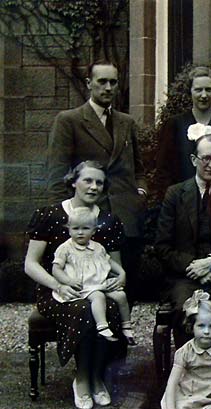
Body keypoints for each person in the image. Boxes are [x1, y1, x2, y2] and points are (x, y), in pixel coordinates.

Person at [25, 161, 126, 409]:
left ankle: (97, 375)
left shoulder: (108, 221)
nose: (93, 187)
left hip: (96, 288)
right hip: (57, 291)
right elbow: (31, 264)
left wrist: (120, 279)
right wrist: (57, 285)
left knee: (109, 307)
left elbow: (115, 266)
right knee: (82, 309)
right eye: (87, 180)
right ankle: (82, 378)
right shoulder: (49, 215)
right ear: (73, 182)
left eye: (99, 182)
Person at [47, 60, 148, 304]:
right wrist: (67, 216)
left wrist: (140, 193)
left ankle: (120, 338)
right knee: (89, 285)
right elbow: (56, 175)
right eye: (102, 81)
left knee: (125, 283)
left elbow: (139, 167)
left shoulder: (126, 122)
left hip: (126, 215)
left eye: (113, 82)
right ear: (89, 83)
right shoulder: (69, 120)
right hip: (88, 217)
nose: (108, 87)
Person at [154, 132, 211, 346]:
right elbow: (162, 246)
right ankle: (187, 368)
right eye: (206, 158)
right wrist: (194, 267)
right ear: (194, 159)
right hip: (184, 276)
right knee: (185, 309)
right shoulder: (175, 194)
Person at [114, 294, 211, 409]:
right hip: (187, 397)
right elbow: (172, 383)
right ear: (192, 326)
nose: (206, 331)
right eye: (201, 326)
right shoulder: (185, 352)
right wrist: (171, 408)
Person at [154, 65, 211, 197]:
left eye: (208, 89)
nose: (204, 95)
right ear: (190, 91)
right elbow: (163, 171)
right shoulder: (174, 126)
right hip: (182, 202)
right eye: (198, 90)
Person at [51, 207, 136, 345]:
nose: (80, 232)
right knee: (98, 296)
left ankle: (126, 326)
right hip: (81, 286)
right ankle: (102, 326)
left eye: (85, 228)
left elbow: (109, 261)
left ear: (93, 230)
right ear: (69, 229)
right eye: (75, 228)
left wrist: (121, 272)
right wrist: (68, 281)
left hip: (99, 282)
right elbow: (56, 269)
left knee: (121, 296)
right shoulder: (65, 248)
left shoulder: (98, 247)